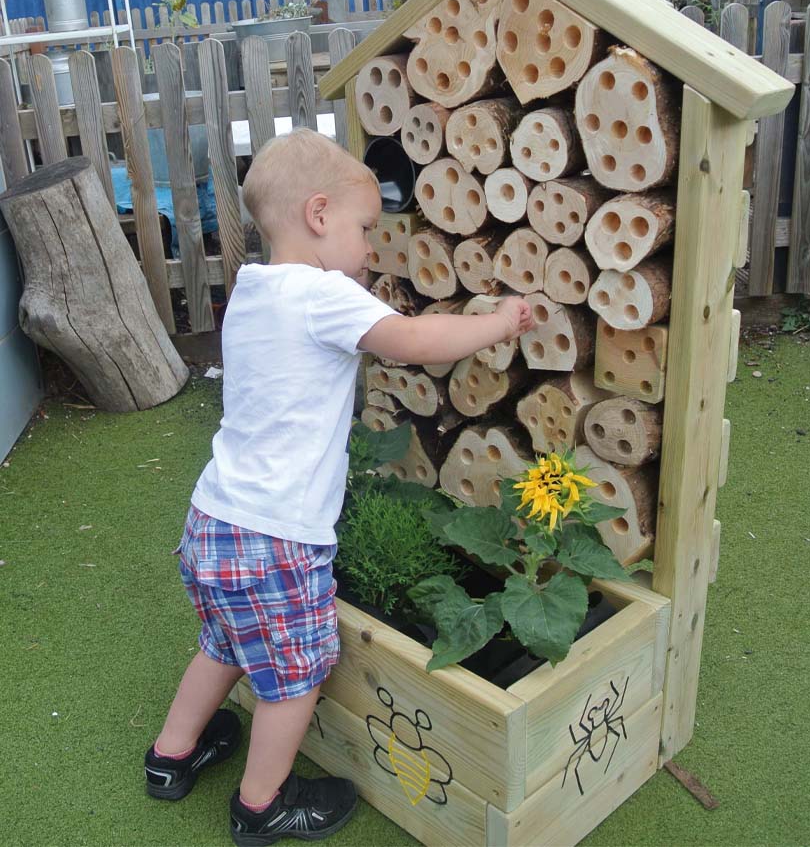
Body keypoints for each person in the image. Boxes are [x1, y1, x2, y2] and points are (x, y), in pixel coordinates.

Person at [143, 128, 535, 846]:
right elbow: (412, 342)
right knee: (296, 677)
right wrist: (499, 321)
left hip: (213, 518)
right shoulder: (322, 295)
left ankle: (171, 757)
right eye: (365, 229)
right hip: (277, 537)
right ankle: (261, 806)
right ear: (318, 215)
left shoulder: (254, 290)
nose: (369, 249)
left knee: (223, 642)